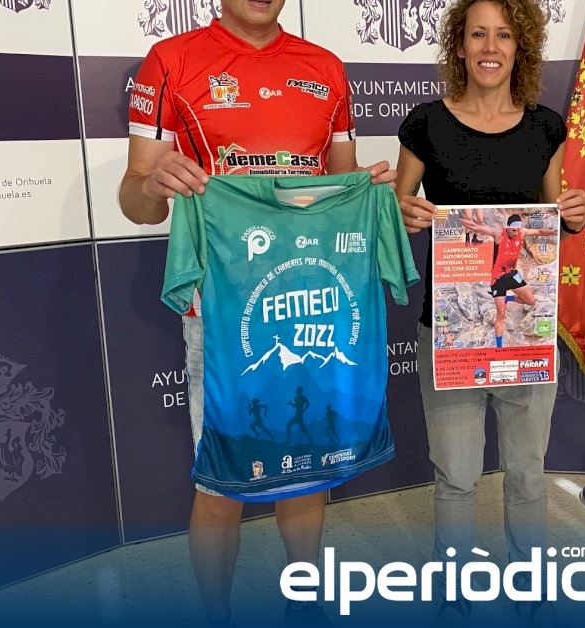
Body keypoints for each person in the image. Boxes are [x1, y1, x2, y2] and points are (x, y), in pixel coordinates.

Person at [117, 1, 395, 624]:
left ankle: (305, 605)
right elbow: (137, 201)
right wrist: (154, 184)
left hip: (311, 299)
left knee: (308, 468)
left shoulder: (324, 68)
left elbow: (339, 190)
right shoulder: (171, 61)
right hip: (222, 311)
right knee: (222, 483)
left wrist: (370, 195)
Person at [394, 0, 585, 620]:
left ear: (518, 47)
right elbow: (395, 211)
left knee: (527, 474)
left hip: (527, 340)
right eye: (477, 33)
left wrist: (575, 217)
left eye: (503, 35)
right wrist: (402, 212)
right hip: (450, 333)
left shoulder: (546, 128)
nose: (489, 46)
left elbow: (554, 220)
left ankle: (529, 588)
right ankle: (455, 593)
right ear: (459, 45)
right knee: (455, 476)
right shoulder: (425, 124)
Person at [460, 212, 558, 347]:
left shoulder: (522, 232)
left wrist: (553, 232)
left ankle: (508, 298)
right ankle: (499, 346)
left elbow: (540, 231)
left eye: (518, 230)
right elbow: (478, 228)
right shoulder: (499, 234)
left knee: (530, 301)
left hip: (512, 275)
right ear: (508, 227)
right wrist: (461, 221)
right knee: (501, 314)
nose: (516, 233)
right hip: (498, 279)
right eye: (513, 230)